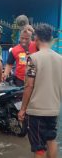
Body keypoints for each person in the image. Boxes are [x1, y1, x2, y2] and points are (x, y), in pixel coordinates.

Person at [18, 24, 62, 158]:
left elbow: (29, 86)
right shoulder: (60, 59)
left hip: (36, 110)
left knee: (39, 148)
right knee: (51, 140)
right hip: (54, 108)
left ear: (36, 38)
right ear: (51, 39)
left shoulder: (33, 58)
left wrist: (23, 109)